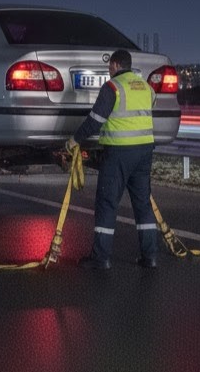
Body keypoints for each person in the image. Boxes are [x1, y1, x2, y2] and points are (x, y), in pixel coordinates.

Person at [67, 49, 158, 270]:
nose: (109, 72)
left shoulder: (112, 88)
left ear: (116, 65)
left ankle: (101, 259)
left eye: (110, 68)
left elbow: (95, 121)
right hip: (145, 150)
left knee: (107, 204)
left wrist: (75, 140)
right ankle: (150, 257)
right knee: (143, 205)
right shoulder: (146, 87)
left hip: (119, 152)